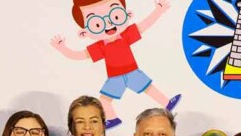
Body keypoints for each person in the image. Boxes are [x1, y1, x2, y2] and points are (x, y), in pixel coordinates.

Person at [50, 0, 181, 129]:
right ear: (84, 33)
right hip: (115, 77)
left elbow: (144, 25)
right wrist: (62, 48)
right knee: (105, 99)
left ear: (128, 15)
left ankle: (167, 103)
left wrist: (159, 11)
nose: (108, 23)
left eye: (115, 16)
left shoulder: (126, 35)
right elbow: (78, 55)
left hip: (132, 72)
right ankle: (113, 119)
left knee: (148, 88)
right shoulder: (100, 47)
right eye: (97, 23)